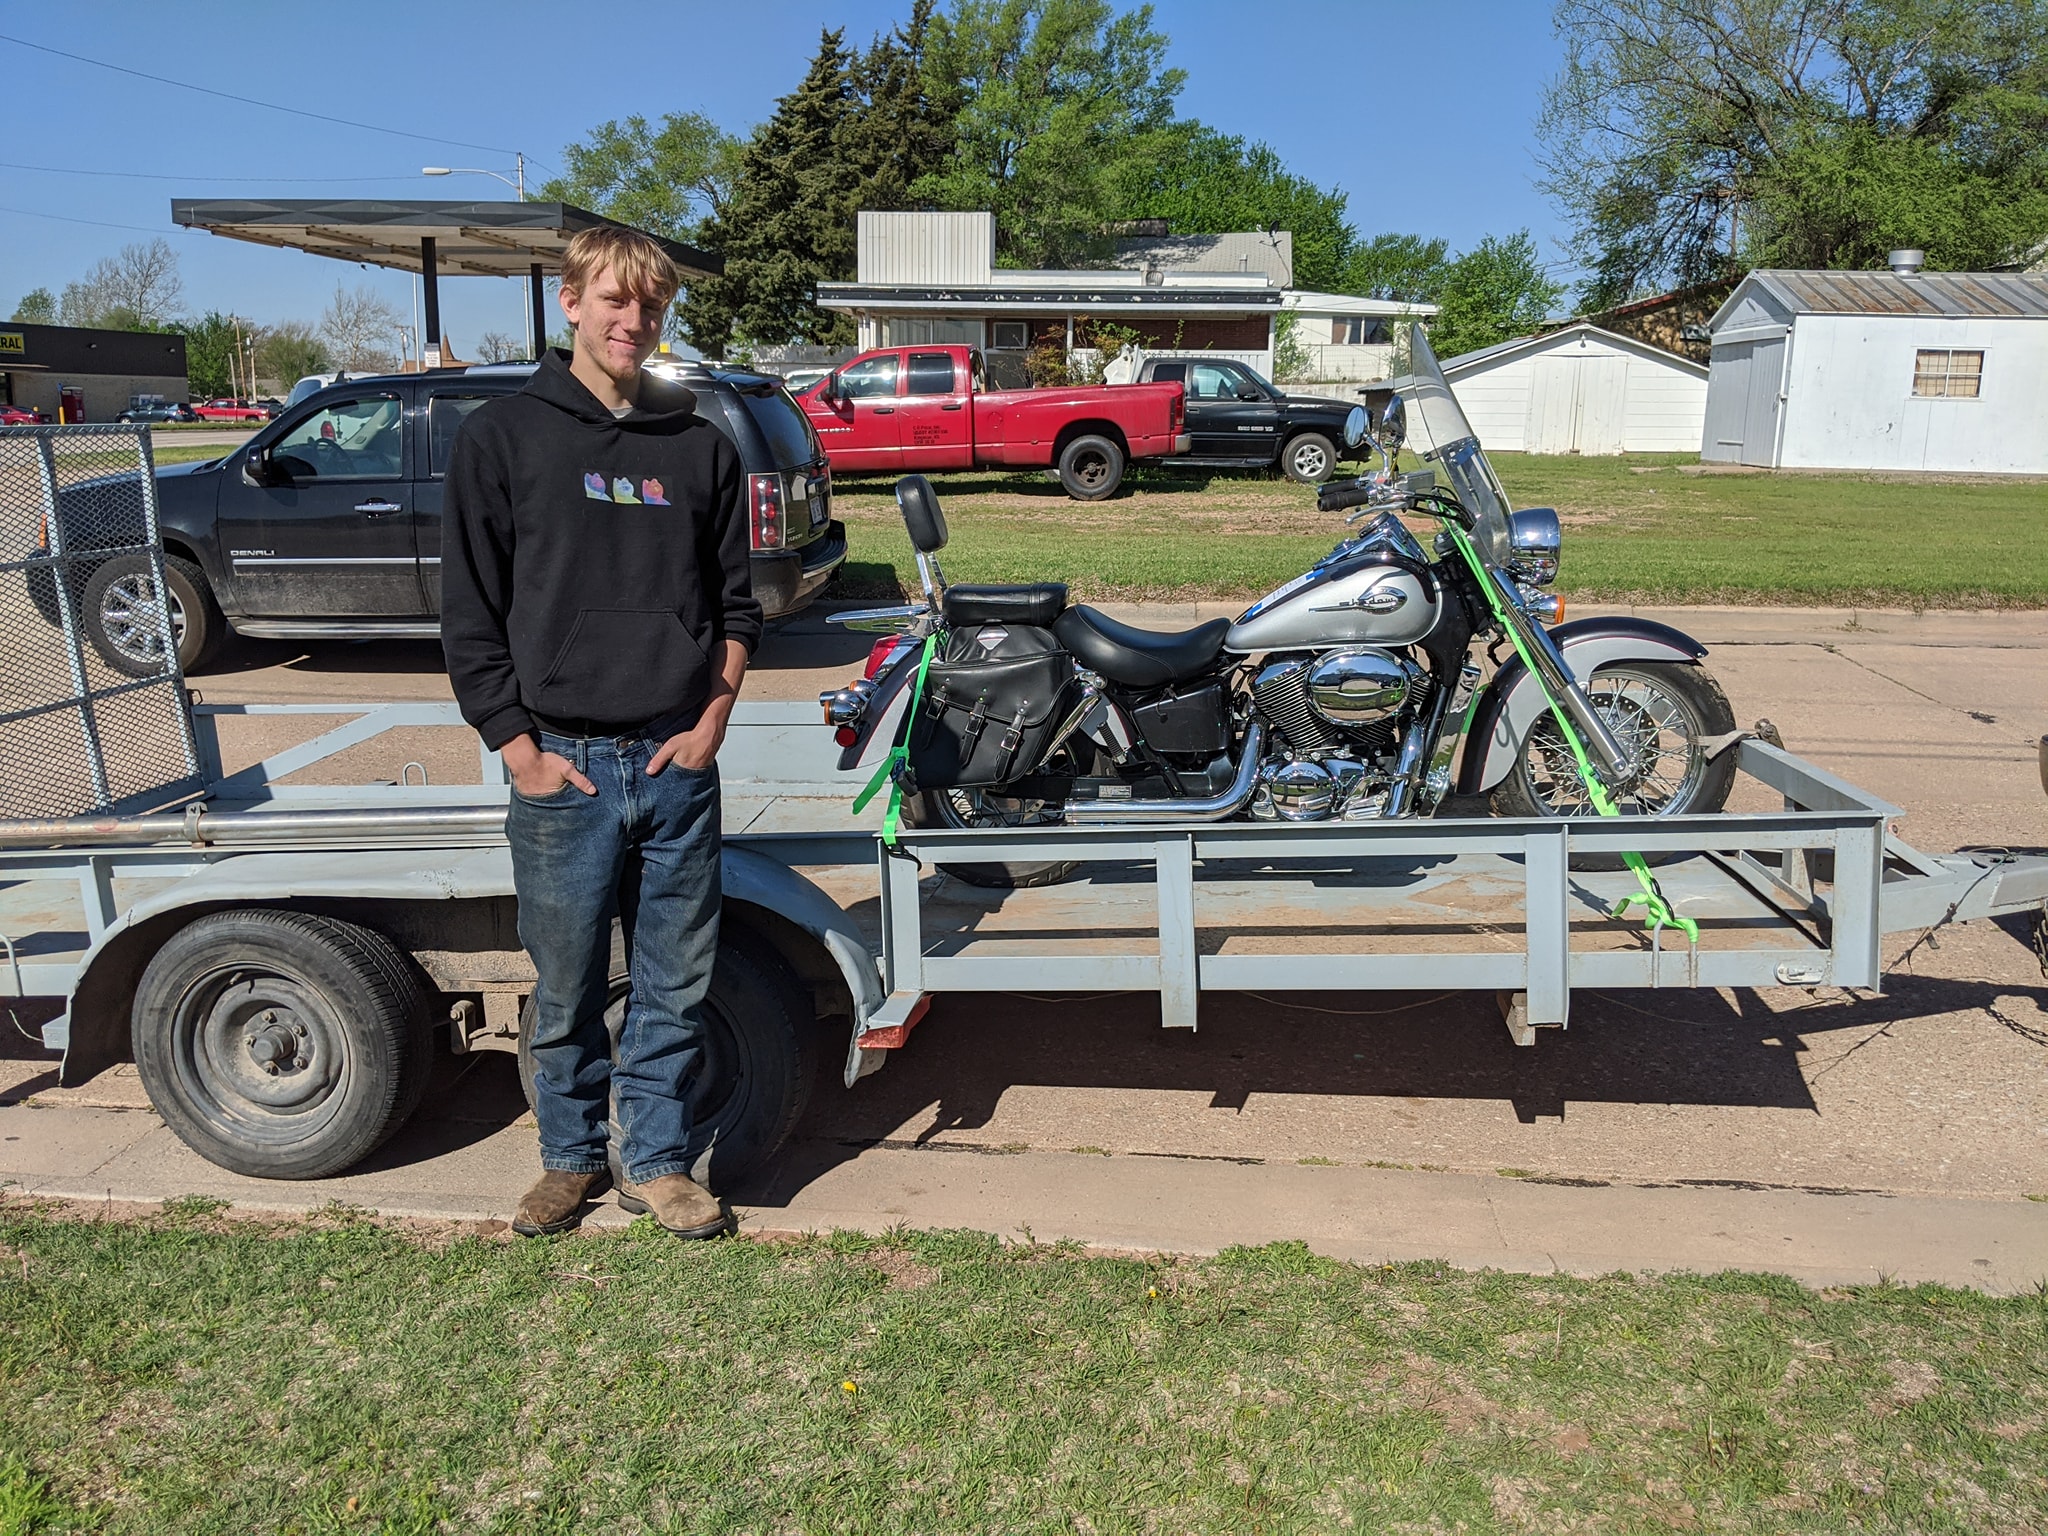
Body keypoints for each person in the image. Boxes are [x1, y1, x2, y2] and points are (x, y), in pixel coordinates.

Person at [440, 226, 761, 1239]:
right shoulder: (503, 437)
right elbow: (469, 611)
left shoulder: (700, 446)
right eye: (616, 300)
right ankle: (569, 1159)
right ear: (571, 303)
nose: (635, 320)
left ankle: (657, 1162)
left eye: (650, 304)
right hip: (563, 767)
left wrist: (712, 720)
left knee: (675, 982)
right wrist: (517, 748)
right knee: (568, 982)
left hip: (674, 761)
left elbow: (738, 607)